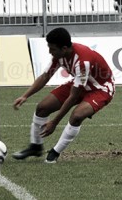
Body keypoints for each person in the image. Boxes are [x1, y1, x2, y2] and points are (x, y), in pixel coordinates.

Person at [12, 27, 115, 164]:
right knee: (42, 107)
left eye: (52, 49)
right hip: (80, 83)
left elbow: (73, 97)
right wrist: (25, 96)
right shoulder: (59, 56)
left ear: (64, 48)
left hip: (100, 89)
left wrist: (54, 122)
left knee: (77, 115)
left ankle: (55, 152)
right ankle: (36, 147)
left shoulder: (82, 61)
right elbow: (45, 76)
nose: (50, 52)